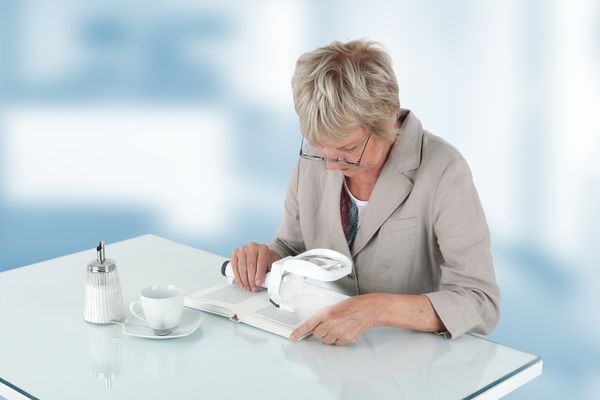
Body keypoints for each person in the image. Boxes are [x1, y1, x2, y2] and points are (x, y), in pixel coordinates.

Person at [229, 39, 500, 345]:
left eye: (348, 149)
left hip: (410, 355)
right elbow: (292, 245)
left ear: (387, 118)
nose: (330, 164)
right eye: (319, 145)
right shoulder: (319, 158)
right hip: (322, 352)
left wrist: (375, 310)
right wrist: (265, 257)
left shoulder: (444, 170)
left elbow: (480, 300)